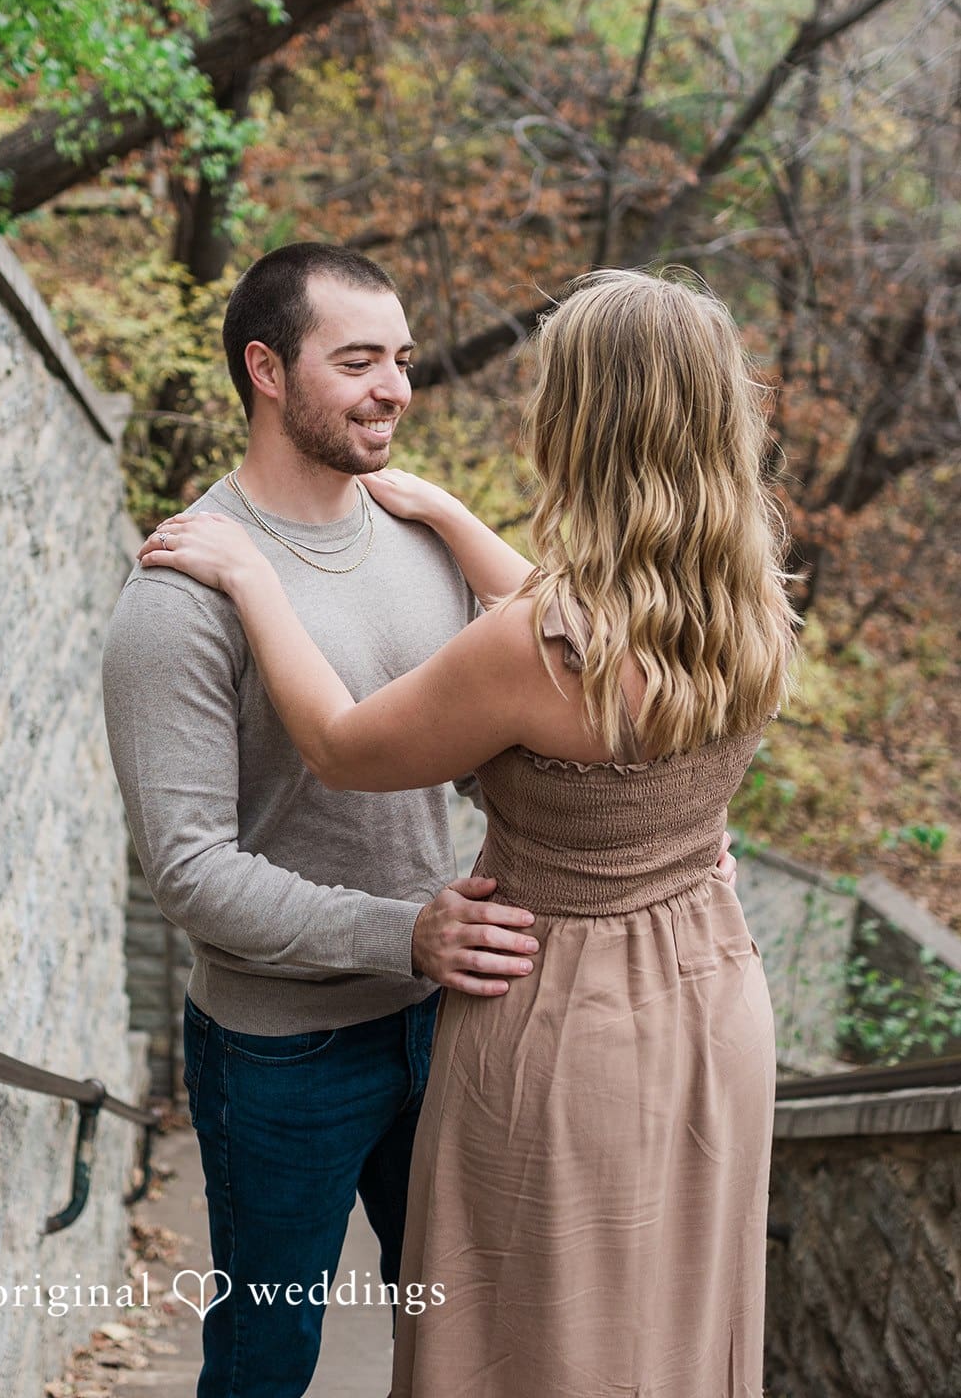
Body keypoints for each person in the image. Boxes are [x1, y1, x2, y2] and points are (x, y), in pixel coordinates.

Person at [137, 267, 793, 1398]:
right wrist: (446, 514)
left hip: (563, 1015)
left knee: (531, 1336)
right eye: (361, 360)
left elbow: (343, 743)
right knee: (659, 1316)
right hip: (706, 995)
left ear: (583, 420)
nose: (395, 386)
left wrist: (252, 574)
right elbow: (593, 643)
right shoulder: (745, 600)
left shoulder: (534, 644)